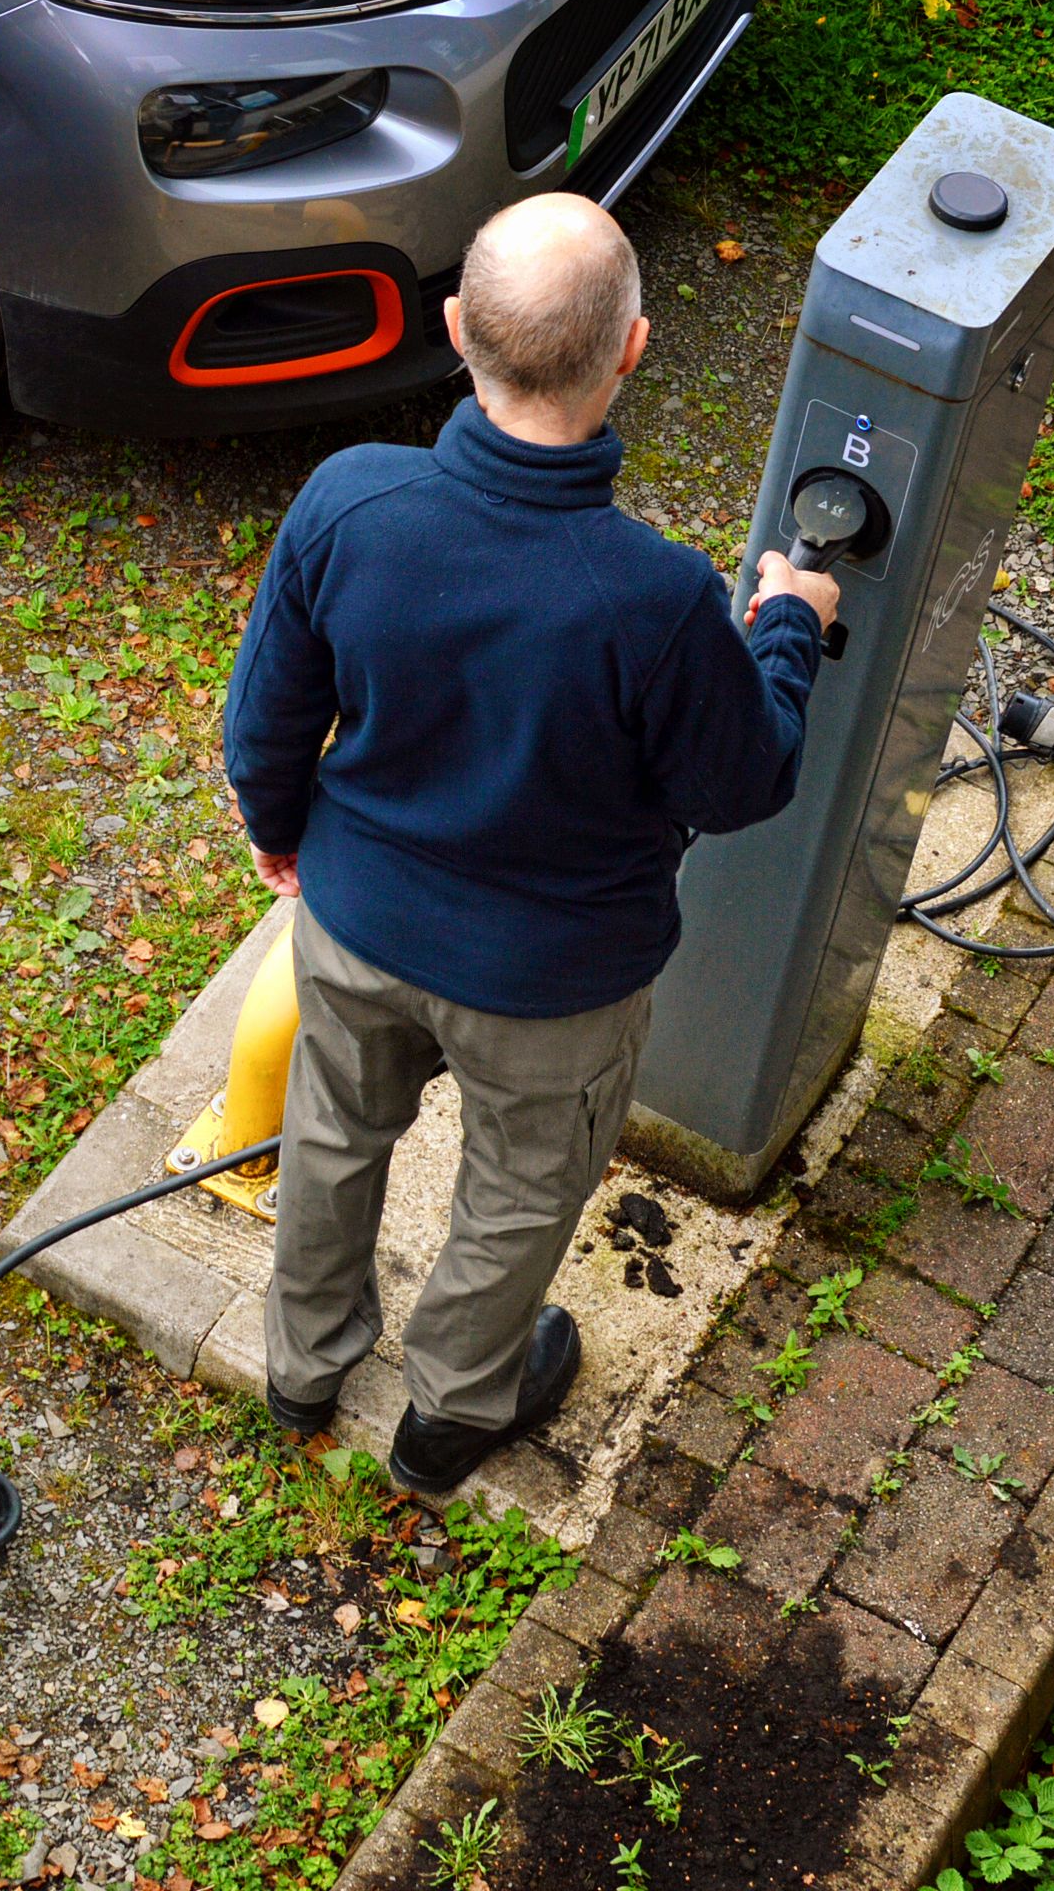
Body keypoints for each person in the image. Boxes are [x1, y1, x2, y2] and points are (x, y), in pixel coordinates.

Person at [220, 192, 840, 1495]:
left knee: (331, 1135)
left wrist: (283, 836)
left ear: (457, 328)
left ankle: (303, 1366)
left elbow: (265, 714)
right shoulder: (659, 599)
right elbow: (746, 781)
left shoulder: (349, 502)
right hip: (554, 986)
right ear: (633, 349)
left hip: (359, 924)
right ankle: (451, 1414)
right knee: (514, 1193)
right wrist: (789, 625)